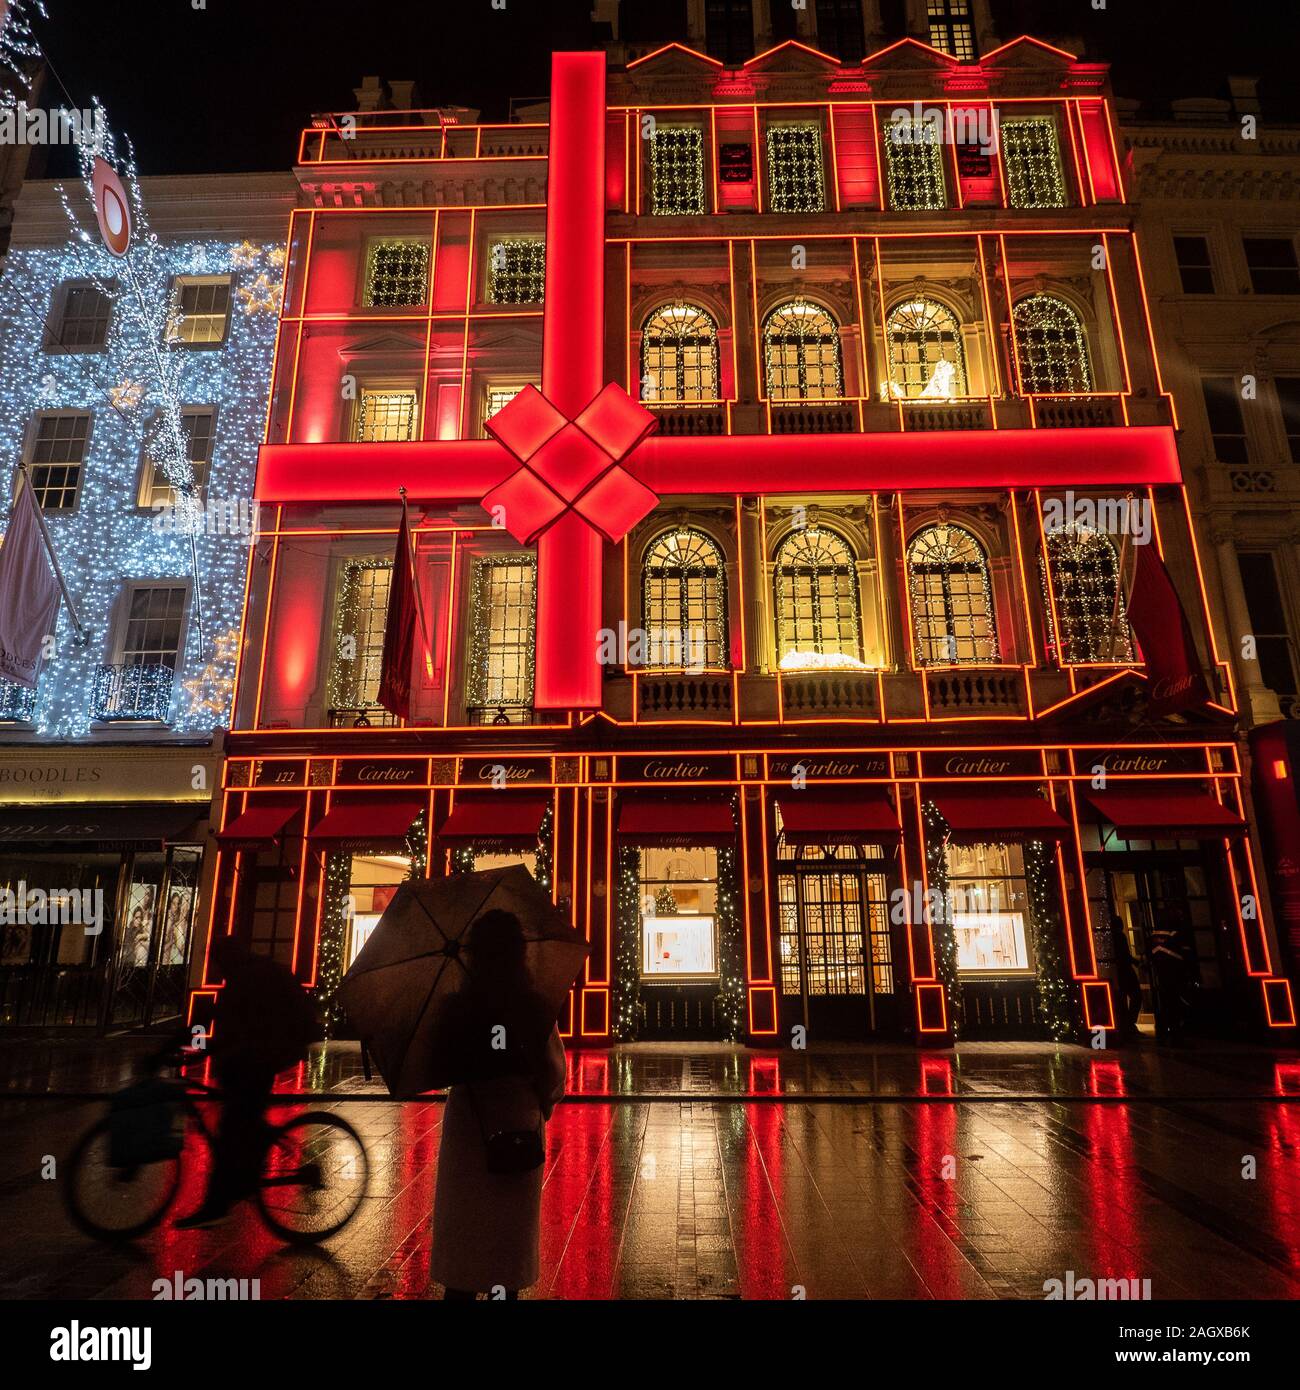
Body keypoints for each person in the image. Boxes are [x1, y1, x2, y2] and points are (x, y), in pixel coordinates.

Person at [431, 909, 566, 1300]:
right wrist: (542, 1100)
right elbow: (553, 1074)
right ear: (519, 954)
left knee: (466, 1236)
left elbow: (437, 1065)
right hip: (517, 1122)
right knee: (505, 1243)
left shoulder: (456, 1007)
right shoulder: (533, 1005)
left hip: (467, 1124)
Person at [175, 936, 318, 1229]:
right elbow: (221, 1022)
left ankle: (217, 1203)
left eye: (216, 960)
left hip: (260, 1058)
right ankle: (248, 1166)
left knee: (232, 1127)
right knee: (243, 1117)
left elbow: (228, 1025)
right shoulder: (248, 975)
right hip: (260, 1055)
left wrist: (186, 1050)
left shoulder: (245, 980)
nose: (215, 967)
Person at [1150, 926, 1190, 1046]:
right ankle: (1175, 1036)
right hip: (1173, 974)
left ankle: (1163, 1035)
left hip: (1163, 974)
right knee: (1173, 1006)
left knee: (1166, 1005)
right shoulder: (1175, 933)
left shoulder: (1156, 935)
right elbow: (1183, 953)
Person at [1110, 922, 1143, 1043]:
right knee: (1136, 996)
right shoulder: (1120, 936)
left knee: (1123, 999)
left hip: (1118, 972)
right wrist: (1136, 962)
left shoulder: (1112, 937)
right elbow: (1125, 955)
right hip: (1126, 971)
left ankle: (1126, 1026)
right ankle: (1129, 1025)